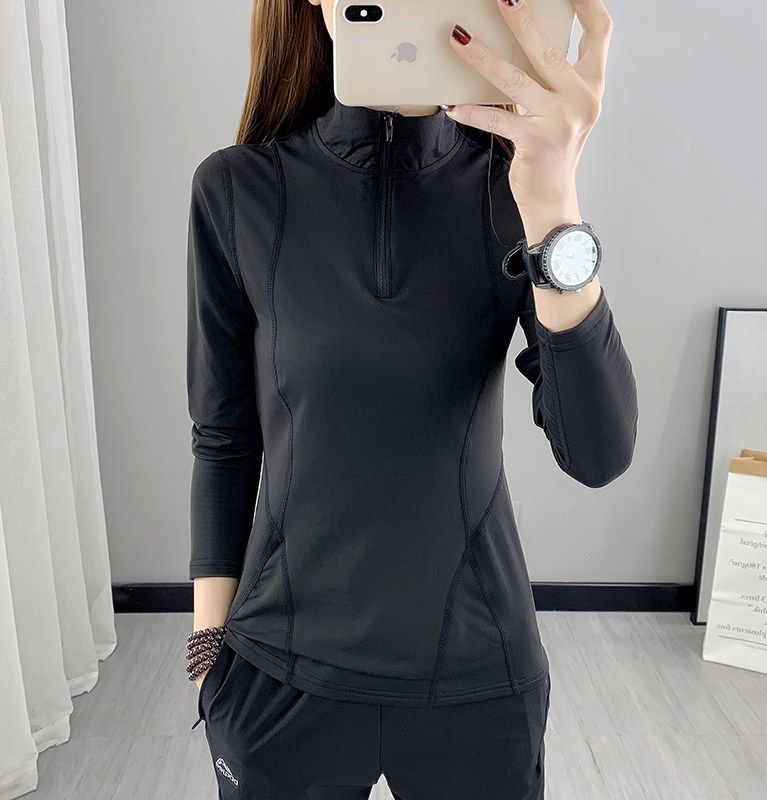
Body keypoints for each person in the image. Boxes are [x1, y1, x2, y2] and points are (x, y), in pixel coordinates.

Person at [185, 0, 632, 798]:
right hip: (276, 678)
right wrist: (208, 654)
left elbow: (598, 454)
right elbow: (224, 436)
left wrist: (555, 206)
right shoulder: (236, 189)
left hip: (480, 678)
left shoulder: (513, 190)